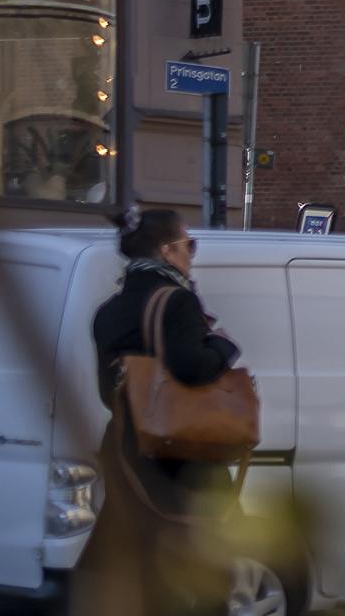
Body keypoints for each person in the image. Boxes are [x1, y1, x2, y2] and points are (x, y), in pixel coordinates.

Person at [74, 210, 244, 616]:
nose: (192, 254)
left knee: (139, 561)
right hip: (183, 454)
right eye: (190, 244)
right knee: (205, 561)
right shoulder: (178, 301)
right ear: (168, 251)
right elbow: (192, 368)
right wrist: (223, 347)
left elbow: (106, 390)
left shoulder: (109, 311)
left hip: (127, 450)